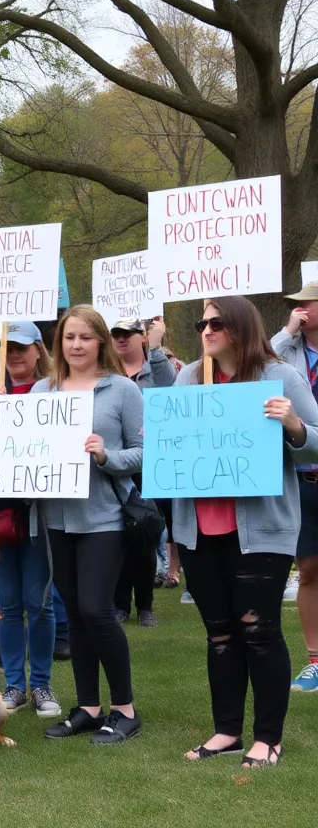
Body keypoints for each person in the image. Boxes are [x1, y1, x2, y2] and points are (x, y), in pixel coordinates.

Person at [177, 296, 318, 767]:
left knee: (258, 630)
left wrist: (293, 425)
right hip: (198, 528)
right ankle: (226, 732)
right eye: (202, 323)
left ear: (241, 326)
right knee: (219, 633)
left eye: (217, 322)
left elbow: (315, 441)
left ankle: (268, 738)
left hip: (261, 529)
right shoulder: (188, 378)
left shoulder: (279, 377)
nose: (207, 330)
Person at [34, 305, 144, 745]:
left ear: (101, 341)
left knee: (97, 609)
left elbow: (145, 453)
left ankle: (125, 709)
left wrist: (105, 455)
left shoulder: (122, 390)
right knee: (76, 613)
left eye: (85, 337)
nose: (76, 345)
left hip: (105, 517)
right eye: (69, 337)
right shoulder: (42, 390)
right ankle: (88, 707)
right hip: (57, 518)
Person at [0, 322, 62, 717]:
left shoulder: (54, 394)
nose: (12, 355)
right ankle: (15, 684)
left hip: (38, 515)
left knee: (39, 602)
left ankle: (41, 684)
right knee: (9, 604)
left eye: (20, 347)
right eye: (5, 348)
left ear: (38, 351)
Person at [111, 318, 174, 628]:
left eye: (128, 333)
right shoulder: (106, 375)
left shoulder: (156, 370)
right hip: (114, 464)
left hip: (150, 466)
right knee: (118, 536)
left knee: (144, 535)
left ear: (142, 337)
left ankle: (145, 605)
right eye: (116, 334)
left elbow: (170, 383)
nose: (122, 339)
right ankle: (120, 603)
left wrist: (157, 345)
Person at [271, 282, 318, 692]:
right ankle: (316, 661)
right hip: (304, 474)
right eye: (296, 304)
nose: (300, 309)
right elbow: (260, 364)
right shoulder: (287, 351)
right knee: (308, 570)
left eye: (308, 302)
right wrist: (287, 331)